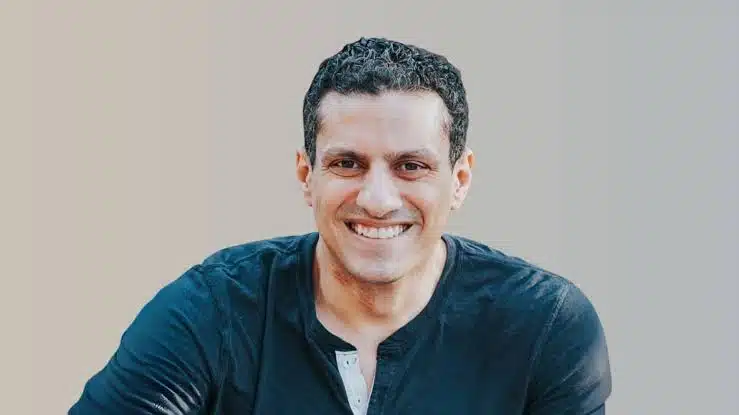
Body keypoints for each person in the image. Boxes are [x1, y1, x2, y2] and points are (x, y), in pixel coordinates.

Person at [69, 37, 611, 414]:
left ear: (460, 179)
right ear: (307, 175)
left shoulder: (543, 326)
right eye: (347, 163)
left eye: (411, 166)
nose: (377, 200)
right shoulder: (214, 310)